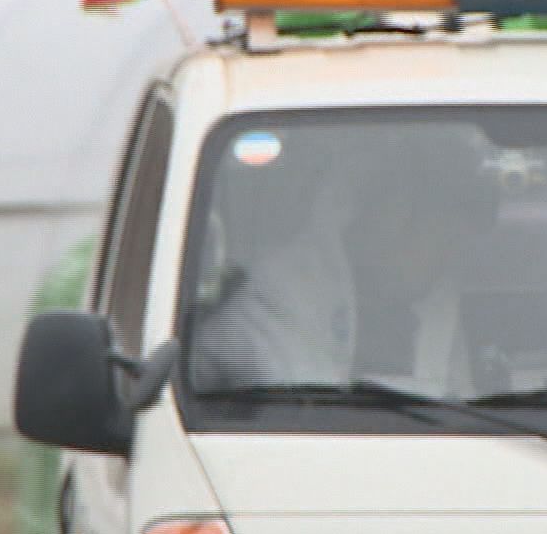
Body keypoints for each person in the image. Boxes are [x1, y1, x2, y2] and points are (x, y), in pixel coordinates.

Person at [192, 128, 498, 394]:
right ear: (395, 215)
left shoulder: (437, 311)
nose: (449, 264)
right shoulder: (272, 305)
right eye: (445, 244)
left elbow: (456, 406)